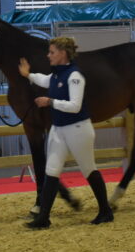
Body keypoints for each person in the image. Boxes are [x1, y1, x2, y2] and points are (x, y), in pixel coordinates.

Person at [18, 36, 113, 229]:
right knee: (51, 171)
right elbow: (44, 80)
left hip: (78, 129)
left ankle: (105, 211)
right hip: (59, 129)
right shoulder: (56, 75)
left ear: (62, 53)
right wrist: (28, 75)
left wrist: (50, 102)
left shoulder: (75, 76)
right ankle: (43, 218)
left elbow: (75, 106)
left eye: (52, 52)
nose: (48, 55)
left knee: (89, 169)